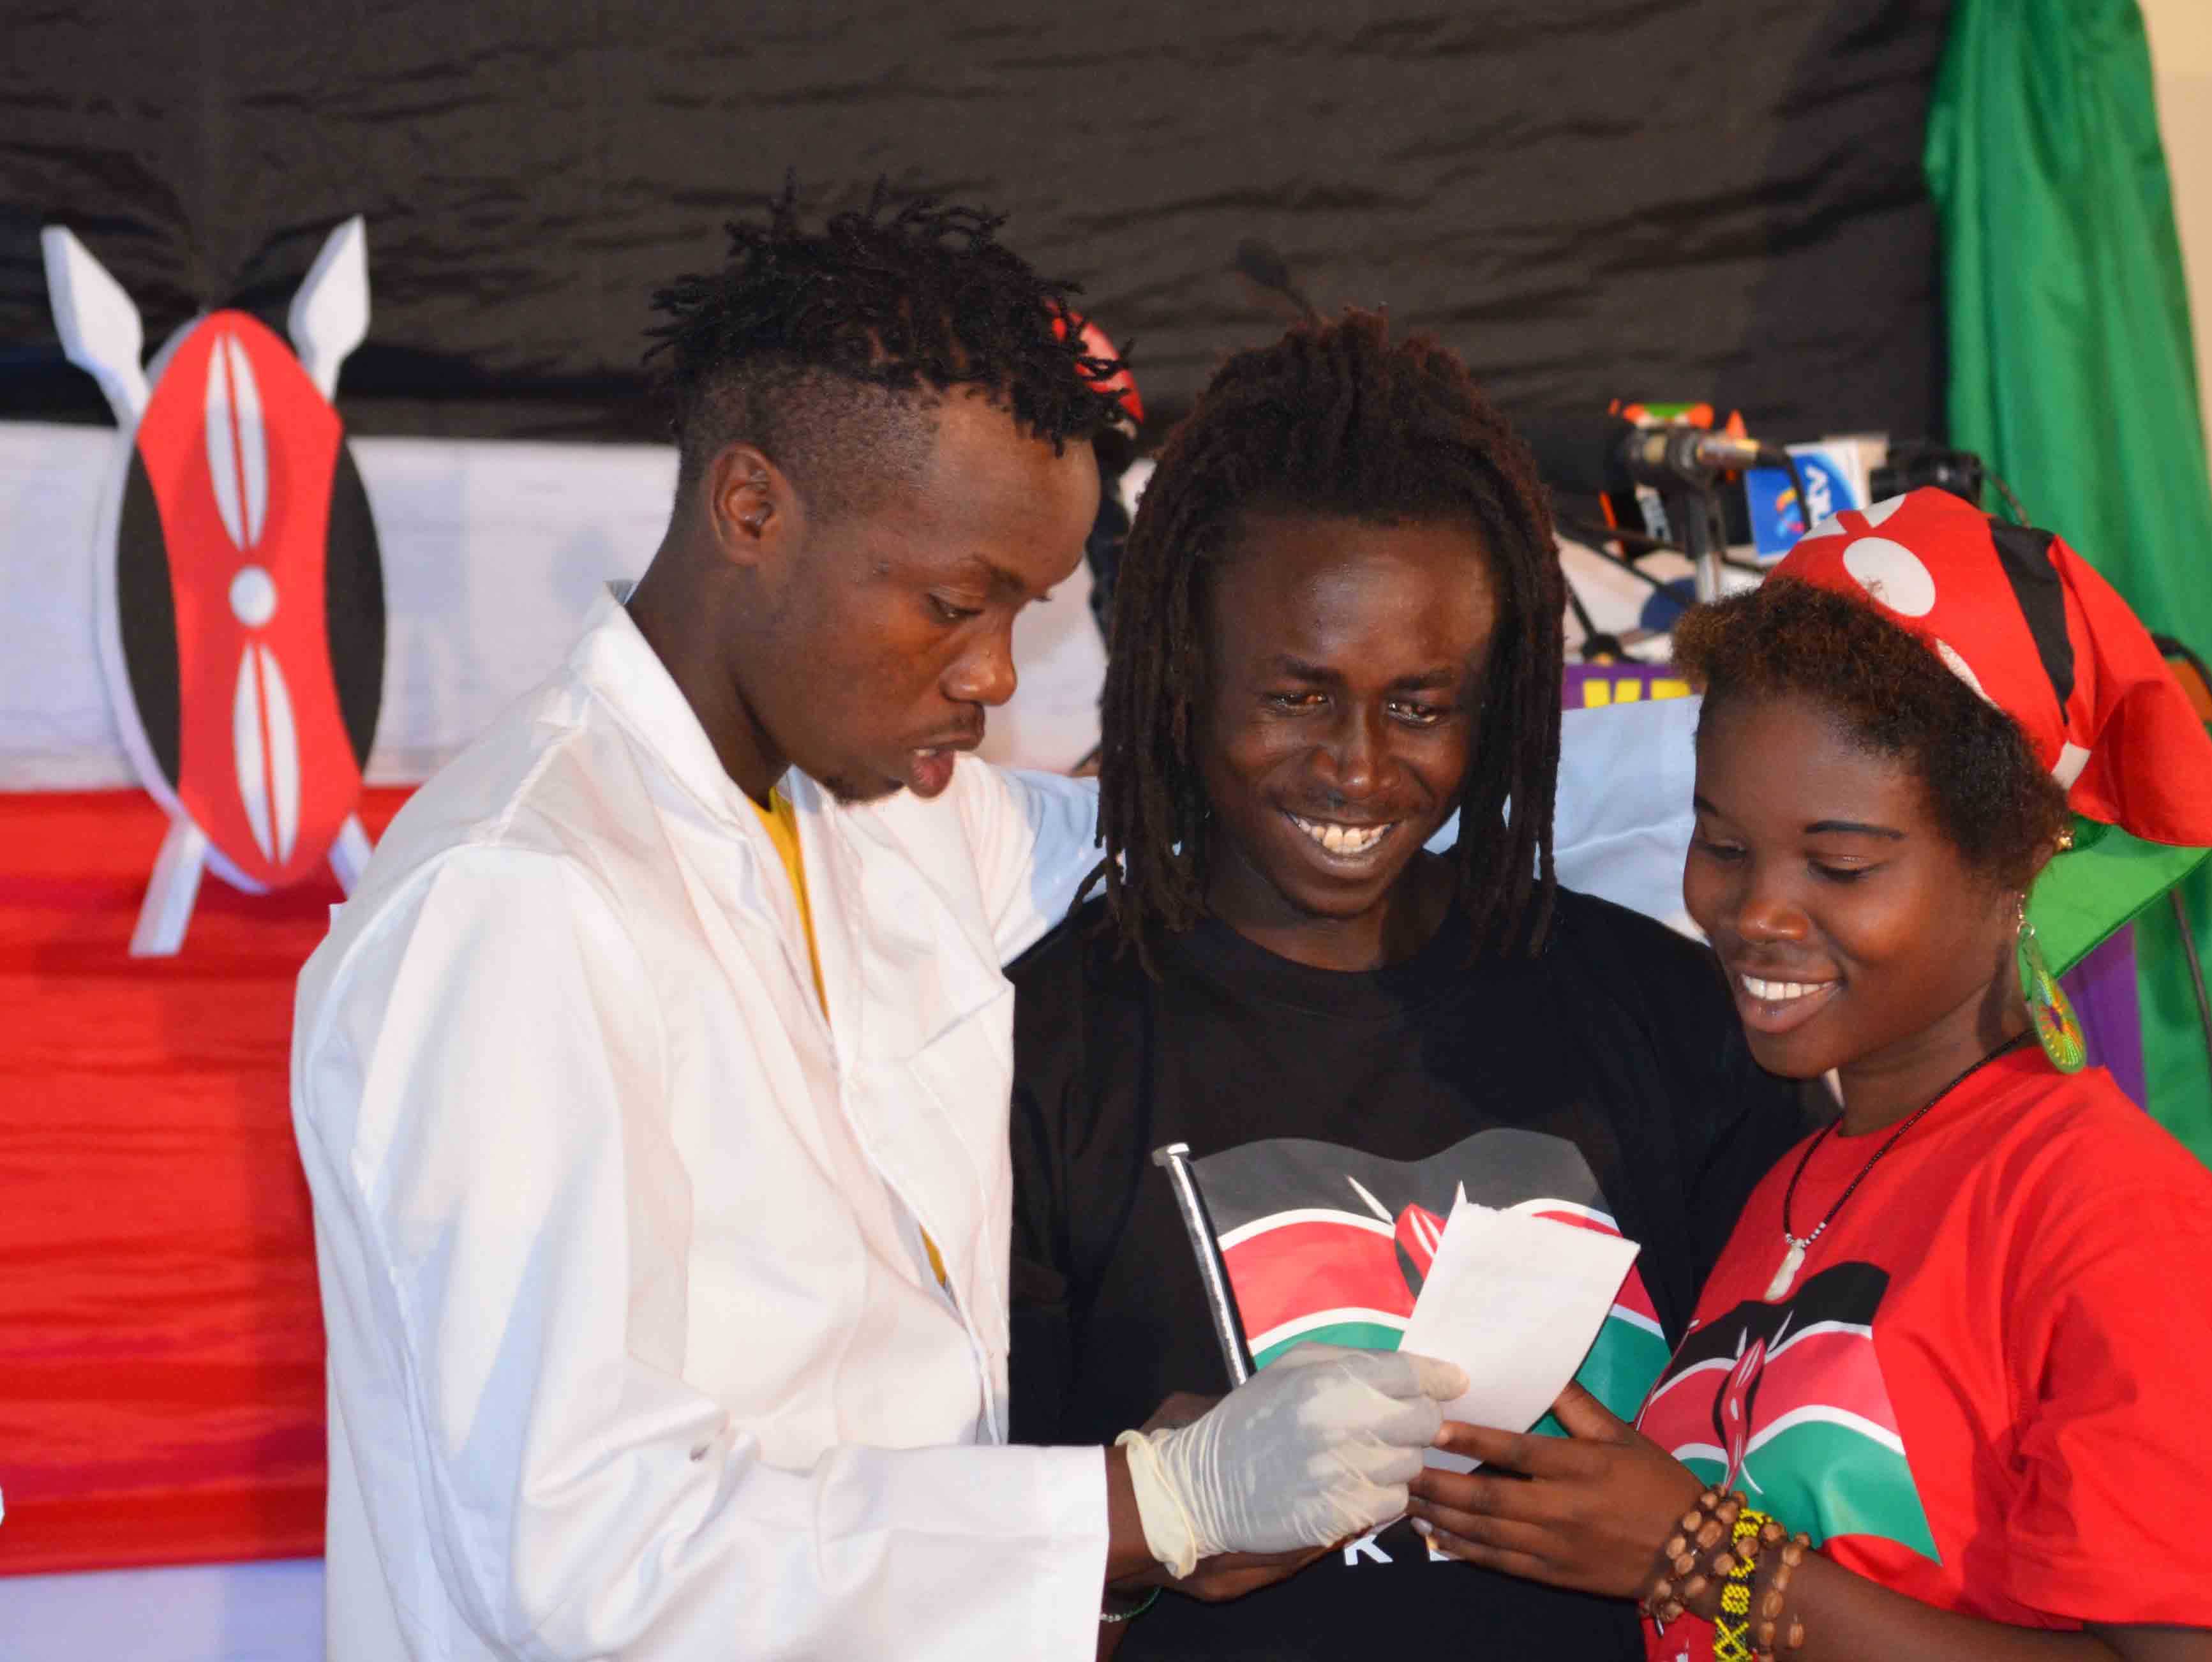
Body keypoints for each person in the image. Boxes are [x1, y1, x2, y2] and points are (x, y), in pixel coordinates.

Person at [288, 188, 1708, 1659]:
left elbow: (1275, 812)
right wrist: (1146, 1504)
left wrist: (1773, 782)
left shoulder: (871, 815)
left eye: (1023, 614)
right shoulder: (516, 904)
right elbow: (579, 1556)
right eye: (957, 604)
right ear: (753, 510)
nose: (993, 678)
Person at [1005, 311, 1805, 1658]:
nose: (1362, 770)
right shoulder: (1039, 1051)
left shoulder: (1668, 1019)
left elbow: (1797, 1567)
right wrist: (1153, 1539)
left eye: (1422, 704)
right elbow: (952, 1584)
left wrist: (1689, 1560)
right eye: (1300, 697)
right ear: (1182, 677)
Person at [1403, 488, 2212, 1660]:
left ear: (2016, 860)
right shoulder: (1795, 1183)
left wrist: (1702, 1557)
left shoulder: (2114, 1215)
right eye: (1723, 845)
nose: (1757, 911)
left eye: (1839, 865)